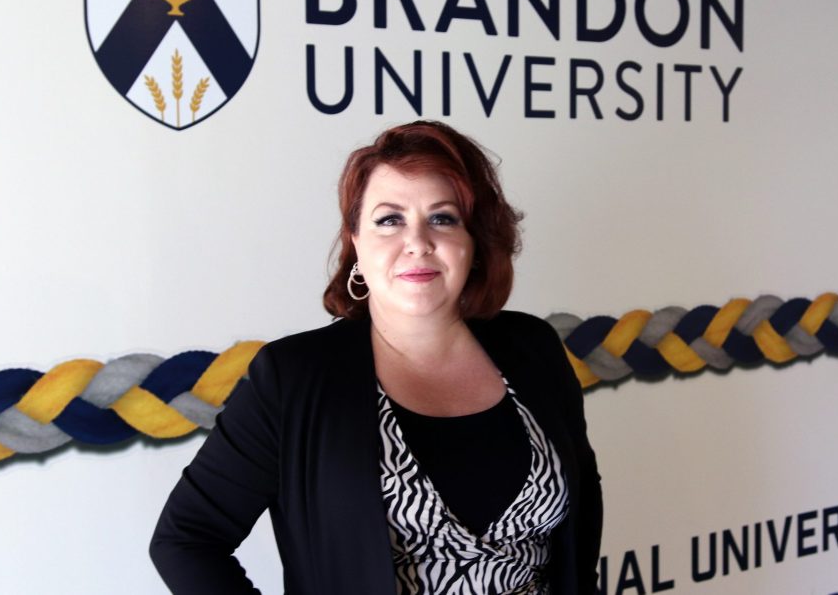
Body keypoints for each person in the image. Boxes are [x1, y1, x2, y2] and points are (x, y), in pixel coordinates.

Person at [150, 120, 602, 594]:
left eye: (443, 218)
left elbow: (582, 502)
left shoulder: (534, 347)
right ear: (356, 243)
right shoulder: (294, 378)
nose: (418, 242)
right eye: (390, 220)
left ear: (474, 242)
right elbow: (186, 538)